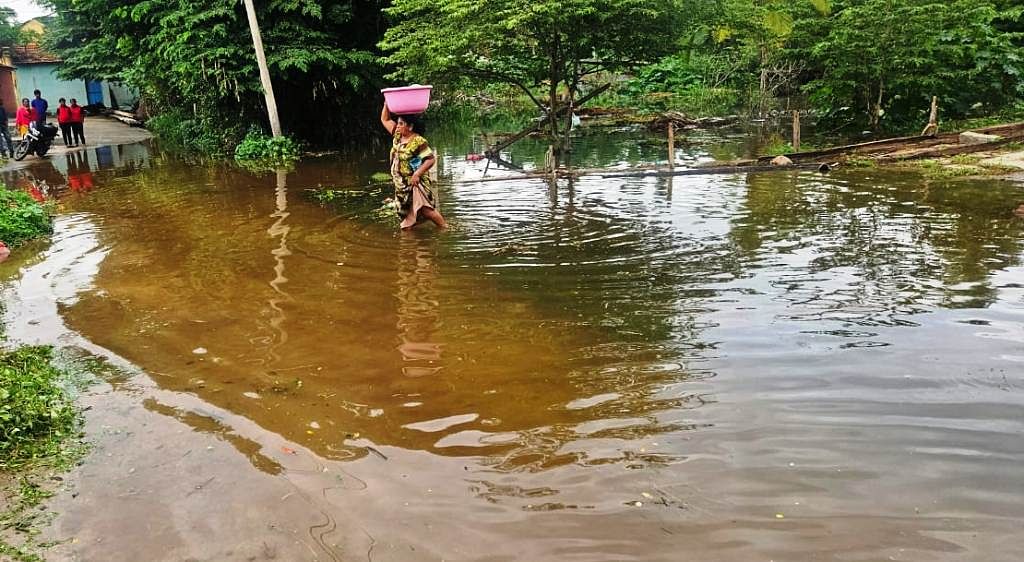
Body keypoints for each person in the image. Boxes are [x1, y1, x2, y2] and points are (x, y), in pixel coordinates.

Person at [379, 101, 446, 229]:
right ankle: (412, 243)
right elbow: (385, 119)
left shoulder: (418, 141)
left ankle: (445, 228)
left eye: (401, 124)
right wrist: (387, 103)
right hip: (401, 184)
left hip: (416, 182)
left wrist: (417, 174)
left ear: (410, 127)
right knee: (405, 213)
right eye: (397, 123)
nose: (397, 126)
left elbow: (430, 159)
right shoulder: (397, 136)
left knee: (426, 209)